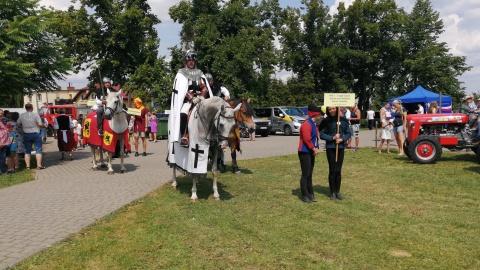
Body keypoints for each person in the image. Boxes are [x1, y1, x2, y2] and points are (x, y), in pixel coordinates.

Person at [168, 50, 213, 148]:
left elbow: (204, 87)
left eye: (193, 60)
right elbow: (182, 90)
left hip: (200, 99)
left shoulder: (200, 74)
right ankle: (185, 136)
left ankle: (213, 135)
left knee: (211, 113)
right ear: (186, 62)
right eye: (189, 60)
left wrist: (202, 96)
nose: (191, 62)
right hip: (188, 101)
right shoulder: (181, 74)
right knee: (183, 114)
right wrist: (191, 98)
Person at [320, 107, 351, 200]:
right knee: (332, 170)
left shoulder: (343, 120)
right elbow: (321, 134)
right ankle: (332, 192)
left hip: (340, 147)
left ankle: (338, 191)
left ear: (337, 109)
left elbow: (348, 133)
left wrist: (342, 139)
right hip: (330, 148)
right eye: (330, 109)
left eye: (333, 109)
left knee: (338, 170)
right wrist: (332, 138)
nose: (332, 111)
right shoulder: (326, 121)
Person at [297, 104, 322, 203]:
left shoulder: (313, 124)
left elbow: (314, 138)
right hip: (304, 152)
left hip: (310, 151)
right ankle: (304, 195)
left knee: (310, 174)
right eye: (319, 114)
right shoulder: (307, 124)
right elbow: (307, 139)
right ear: (315, 115)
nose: (320, 116)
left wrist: (315, 148)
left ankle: (310, 194)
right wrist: (313, 148)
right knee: (305, 174)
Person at [17, 103, 46, 170]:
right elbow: (40, 124)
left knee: (27, 151)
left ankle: (28, 166)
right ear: (32, 108)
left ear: (26, 108)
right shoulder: (35, 114)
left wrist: (22, 128)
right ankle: (39, 165)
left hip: (26, 134)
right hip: (35, 133)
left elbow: (18, 124)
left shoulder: (22, 115)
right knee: (38, 150)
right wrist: (44, 125)